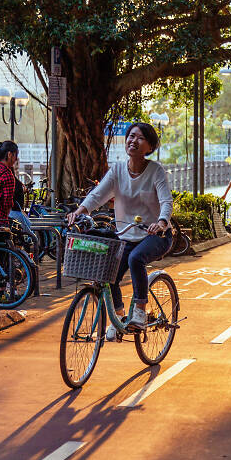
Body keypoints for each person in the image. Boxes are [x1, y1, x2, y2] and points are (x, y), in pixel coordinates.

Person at [68, 123, 173, 338]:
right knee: (108, 275)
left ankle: (140, 312)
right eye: (131, 136)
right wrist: (80, 211)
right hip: (125, 235)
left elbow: (166, 201)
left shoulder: (156, 171)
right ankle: (119, 318)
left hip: (156, 235)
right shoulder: (117, 170)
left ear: (149, 146)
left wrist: (162, 222)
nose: (133, 141)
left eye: (140, 138)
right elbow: (98, 194)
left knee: (136, 258)